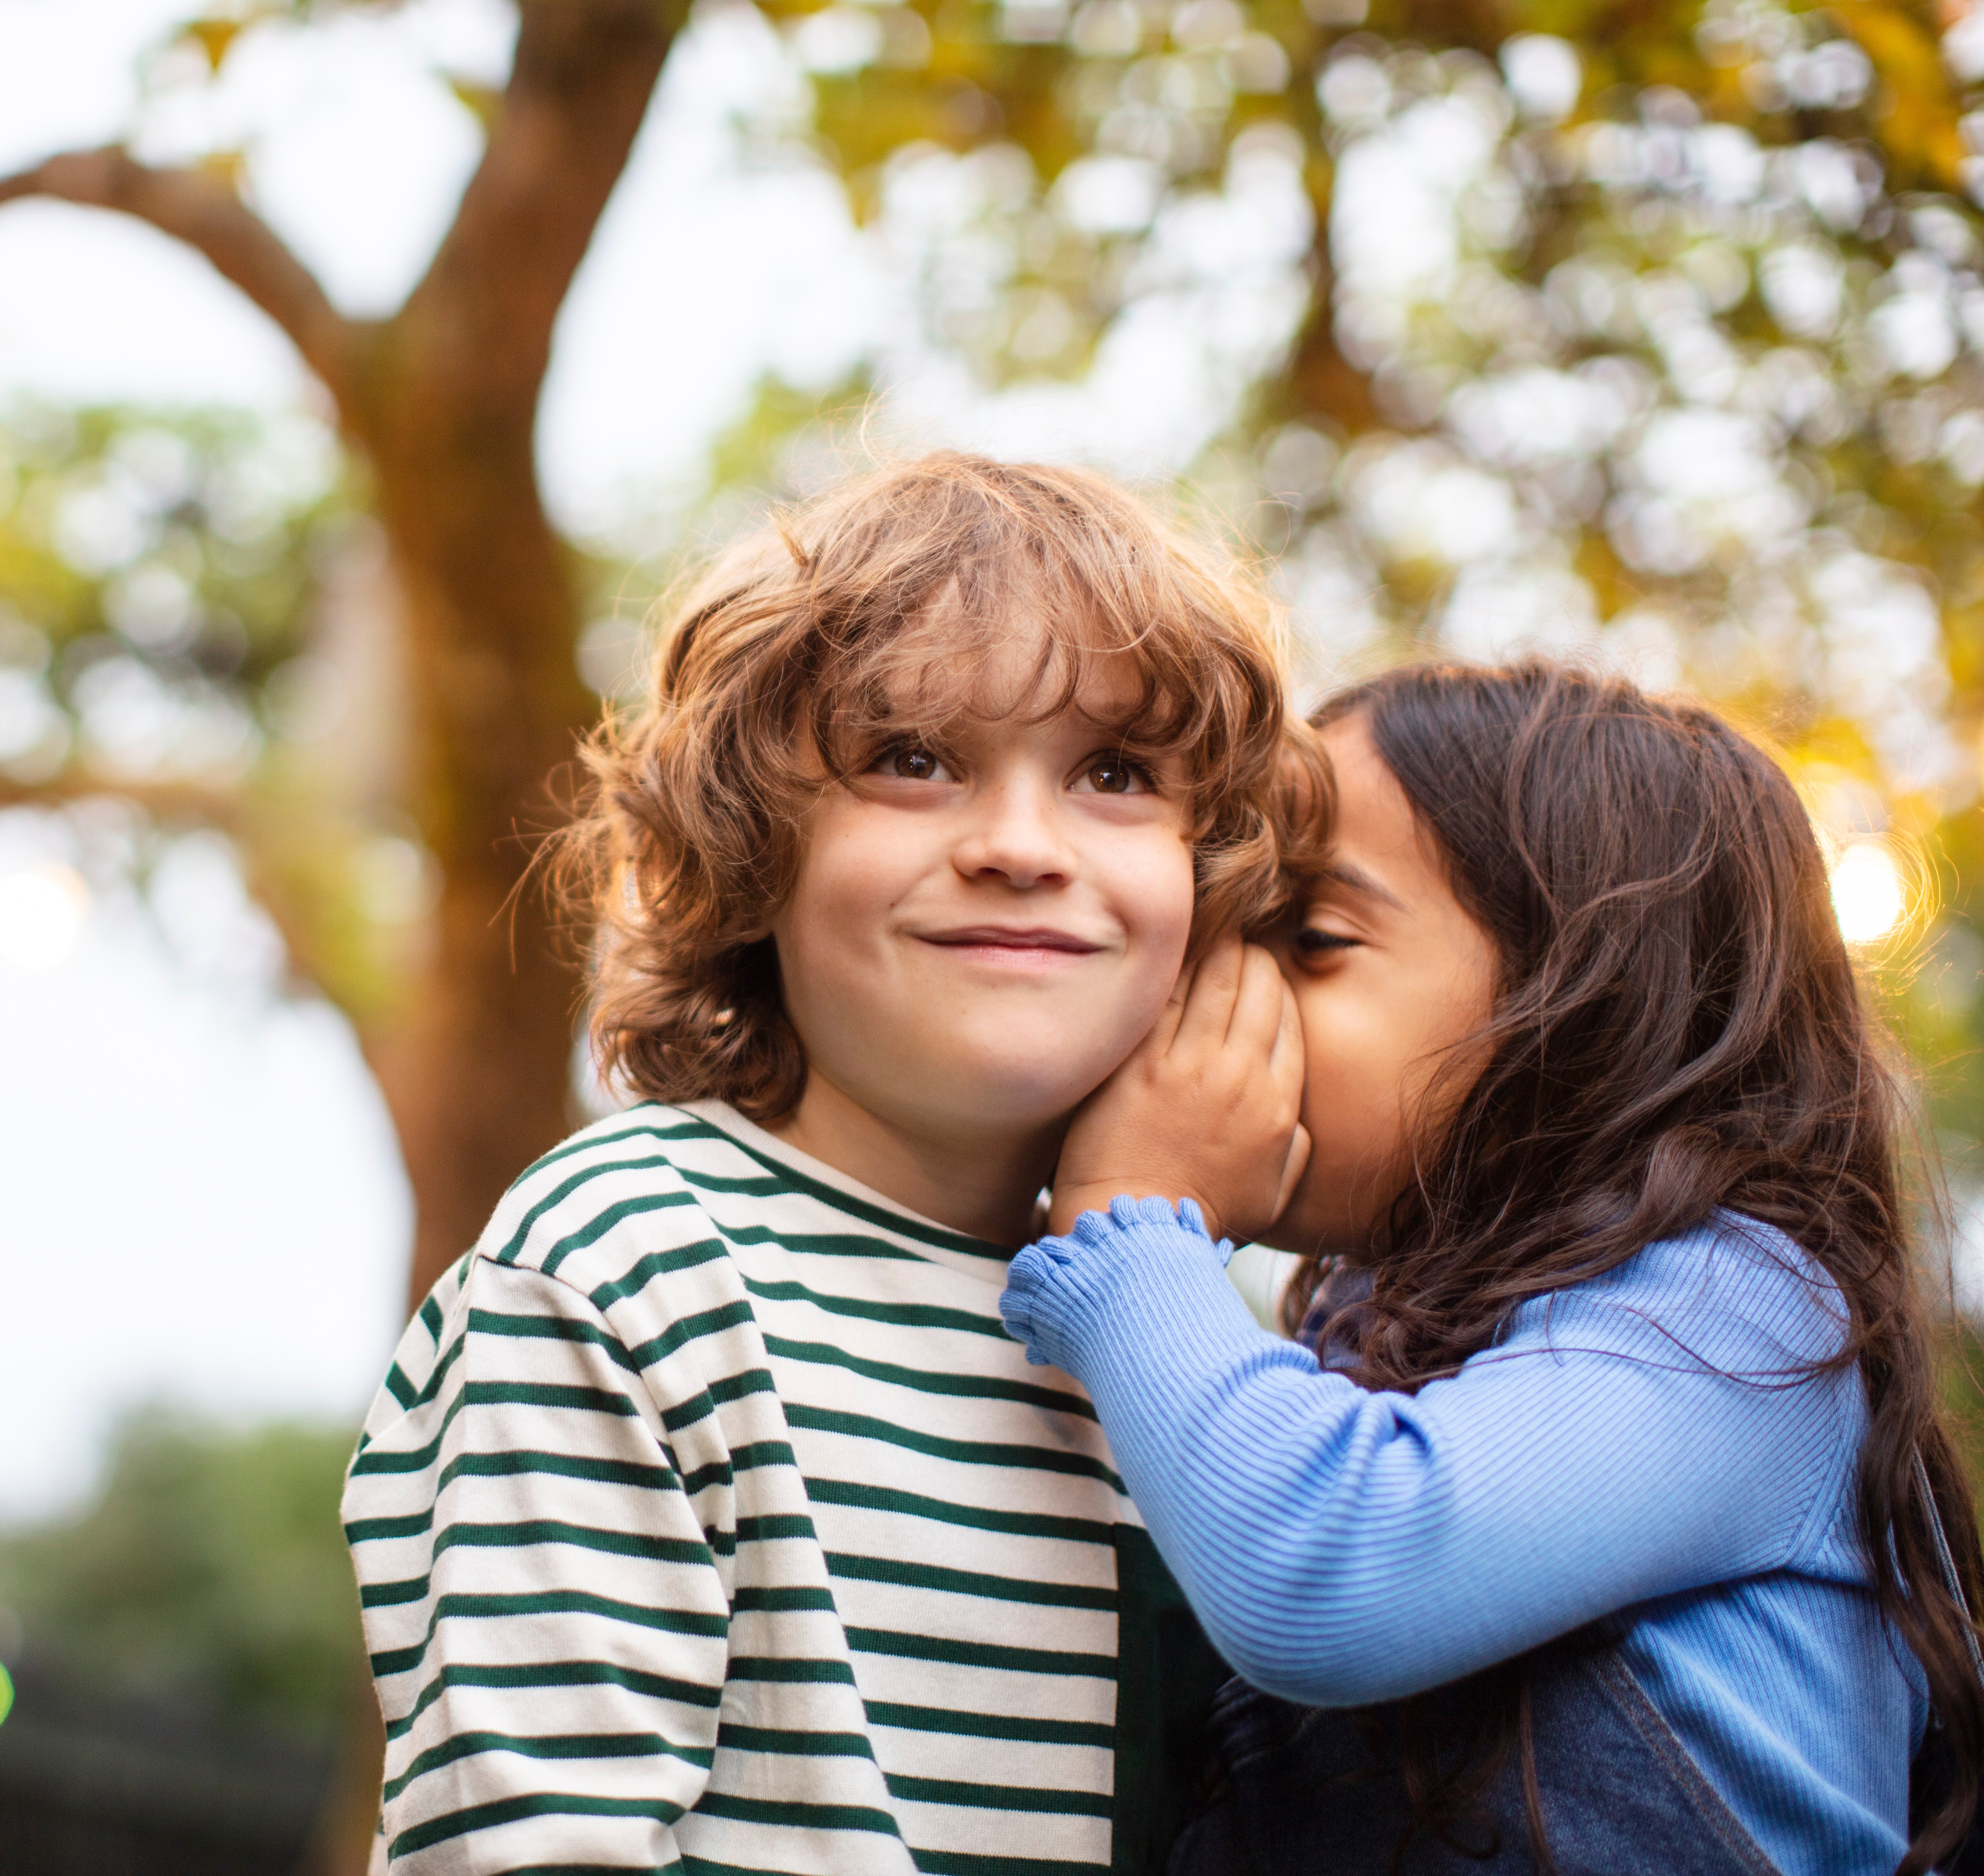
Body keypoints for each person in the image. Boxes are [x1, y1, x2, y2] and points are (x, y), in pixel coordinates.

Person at [341, 452, 1322, 1874]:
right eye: (913, 759)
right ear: (753, 843)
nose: (1020, 845)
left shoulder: (1167, 1348)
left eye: (1116, 771)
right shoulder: (628, 1261)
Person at [1001, 661, 1984, 1874]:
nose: (1219, 991)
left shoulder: (1748, 1315)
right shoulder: (1334, 1352)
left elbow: (1329, 1570)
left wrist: (1128, 1216)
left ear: (1584, 1006)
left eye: (1308, 937)